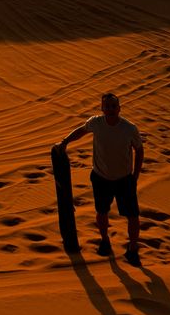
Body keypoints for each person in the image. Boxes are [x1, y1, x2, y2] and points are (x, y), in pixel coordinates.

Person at [53, 92, 144, 266]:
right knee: (101, 212)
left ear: (119, 108)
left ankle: (133, 249)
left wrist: (135, 176)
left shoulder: (129, 128)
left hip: (125, 180)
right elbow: (81, 130)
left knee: (132, 215)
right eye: (107, 106)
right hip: (101, 178)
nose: (110, 109)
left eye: (113, 106)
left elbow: (139, 150)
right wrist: (65, 142)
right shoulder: (96, 122)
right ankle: (105, 240)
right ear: (102, 108)